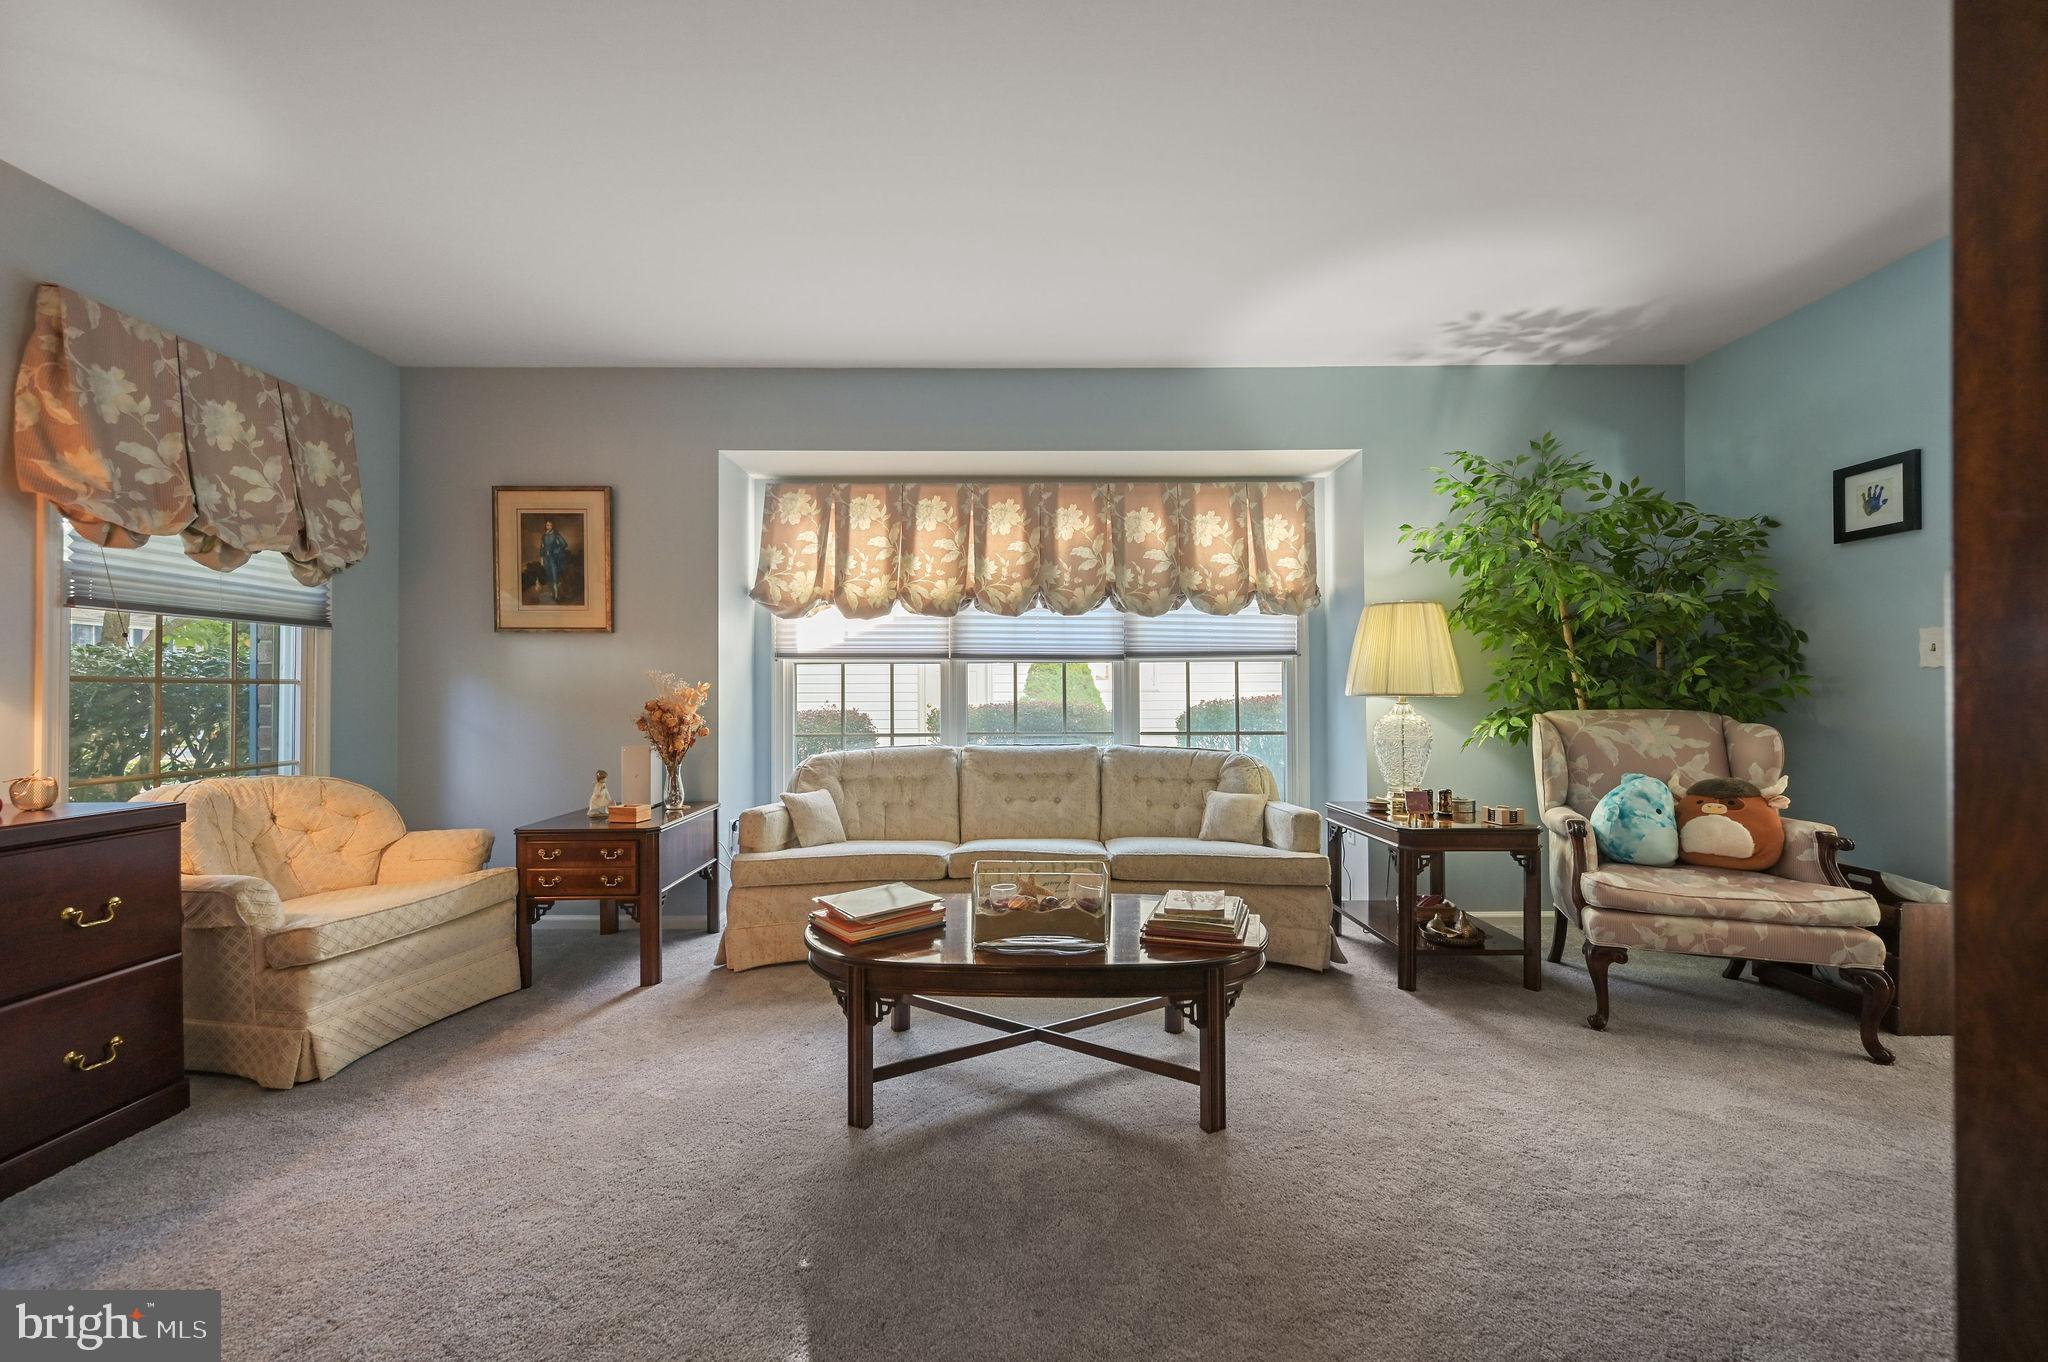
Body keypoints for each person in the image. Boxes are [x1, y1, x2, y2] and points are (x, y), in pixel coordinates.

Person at [539, 519, 570, 603]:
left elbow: (564, 544)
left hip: (554, 558)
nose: (548, 526)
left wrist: (556, 550)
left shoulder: (556, 534)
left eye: (550, 525)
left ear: (553, 526)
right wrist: (541, 559)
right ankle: (552, 594)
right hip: (546, 559)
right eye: (547, 525)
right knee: (549, 576)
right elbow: (542, 547)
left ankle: (556, 595)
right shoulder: (543, 536)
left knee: (554, 576)